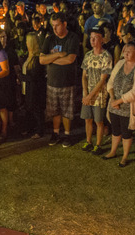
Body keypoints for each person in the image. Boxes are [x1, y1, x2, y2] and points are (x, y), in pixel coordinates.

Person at [103, 39, 135, 168]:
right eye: (125, 51)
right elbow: (110, 82)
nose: (126, 53)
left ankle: (124, 156)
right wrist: (112, 99)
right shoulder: (120, 63)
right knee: (115, 130)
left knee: (126, 132)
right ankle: (113, 151)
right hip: (114, 106)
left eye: (129, 51)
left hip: (128, 108)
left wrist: (119, 101)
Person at [41, 12, 80, 147]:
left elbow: (70, 59)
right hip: (52, 82)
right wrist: (57, 55)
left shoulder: (72, 38)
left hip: (67, 82)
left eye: (57, 25)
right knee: (54, 110)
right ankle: (56, 132)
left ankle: (68, 134)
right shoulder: (50, 39)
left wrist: (50, 60)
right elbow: (41, 59)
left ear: (64, 24)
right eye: (53, 26)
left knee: (66, 110)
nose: (55, 29)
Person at [81, 25, 113, 154]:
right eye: (91, 38)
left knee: (98, 120)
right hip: (88, 93)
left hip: (99, 95)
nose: (92, 40)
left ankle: (98, 144)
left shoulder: (106, 56)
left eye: (96, 38)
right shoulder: (88, 55)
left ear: (102, 40)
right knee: (87, 118)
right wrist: (85, 92)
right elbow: (84, 76)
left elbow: (102, 80)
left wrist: (90, 95)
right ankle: (88, 141)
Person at [21, 32, 46, 139]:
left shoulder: (37, 58)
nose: (25, 43)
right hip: (26, 88)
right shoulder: (29, 56)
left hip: (34, 89)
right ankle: (31, 128)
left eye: (27, 41)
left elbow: (35, 77)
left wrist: (21, 77)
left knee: (37, 110)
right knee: (29, 109)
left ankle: (40, 130)